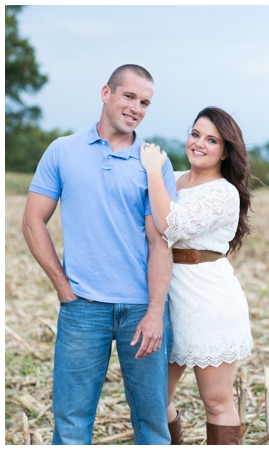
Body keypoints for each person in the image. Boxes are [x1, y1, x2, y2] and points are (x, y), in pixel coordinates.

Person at [22, 64, 176, 444]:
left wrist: (156, 312)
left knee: (152, 425)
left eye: (145, 103)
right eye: (129, 96)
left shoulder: (153, 162)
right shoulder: (62, 151)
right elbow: (32, 222)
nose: (136, 108)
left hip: (141, 310)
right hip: (82, 308)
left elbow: (161, 242)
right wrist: (63, 287)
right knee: (71, 424)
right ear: (106, 93)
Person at [140, 107, 255, 445]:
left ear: (225, 150)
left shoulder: (224, 192)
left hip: (208, 301)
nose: (199, 143)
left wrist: (151, 172)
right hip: (167, 298)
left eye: (211, 140)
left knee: (216, 402)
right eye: (195, 134)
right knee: (153, 402)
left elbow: (171, 225)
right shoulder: (171, 178)